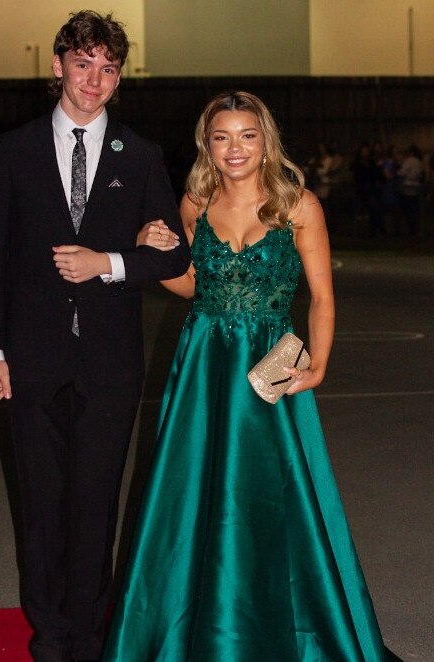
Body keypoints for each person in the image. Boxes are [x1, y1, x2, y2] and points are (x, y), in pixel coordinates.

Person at [101, 92, 400, 661]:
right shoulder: (194, 202)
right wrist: (152, 255)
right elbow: (194, 285)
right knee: (195, 491)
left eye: (246, 135)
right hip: (204, 363)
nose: (234, 148)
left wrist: (319, 365)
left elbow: (322, 298)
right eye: (222, 137)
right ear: (206, 145)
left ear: (266, 141)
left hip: (269, 367)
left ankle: (288, 623)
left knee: (273, 494)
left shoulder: (298, 205)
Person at [0, 11, 189, 662]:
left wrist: (113, 261)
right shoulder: (12, 152)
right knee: (43, 505)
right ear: (57, 65)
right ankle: (51, 637)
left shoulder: (142, 155)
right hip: (30, 359)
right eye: (83, 64)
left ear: (120, 77)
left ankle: (90, 639)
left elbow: (175, 258)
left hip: (109, 364)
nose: (95, 80)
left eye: (109, 68)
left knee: (97, 501)